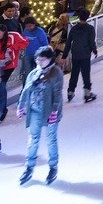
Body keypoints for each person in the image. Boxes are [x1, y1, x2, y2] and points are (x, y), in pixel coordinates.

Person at [18, 46, 64, 186]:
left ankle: (53, 167)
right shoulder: (33, 73)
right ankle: (29, 167)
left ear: (50, 59)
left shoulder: (56, 73)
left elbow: (57, 95)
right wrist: (21, 106)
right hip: (35, 111)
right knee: (33, 140)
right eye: (37, 59)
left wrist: (54, 111)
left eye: (42, 60)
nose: (38, 62)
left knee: (50, 139)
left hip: (50, 112)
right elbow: (26, 90)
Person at [61, 9, 98, 103]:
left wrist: (64, 56)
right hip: (85, 55)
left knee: (74, 73)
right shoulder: (90, 28)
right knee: (86, 74)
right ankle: (87, 93)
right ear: (88, 17)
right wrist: (94, 50)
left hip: (76, 54)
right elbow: (91, 42)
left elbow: (68, 43)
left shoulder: (74, 28)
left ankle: (70, 91)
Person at [18, 16, 50, 82]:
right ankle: (27, 89)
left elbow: (45, 44)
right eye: (27, 26)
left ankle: (38, 88)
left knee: (38, 73)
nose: (28, 28)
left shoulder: (40, 31)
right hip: (28, 54)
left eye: (30, 26)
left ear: (34, 24)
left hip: (38, 56)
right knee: (28, 73)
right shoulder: (25, 31)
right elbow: (23, 40)